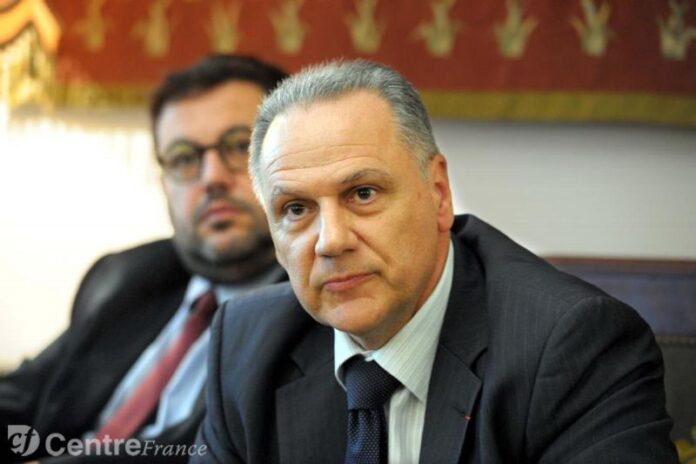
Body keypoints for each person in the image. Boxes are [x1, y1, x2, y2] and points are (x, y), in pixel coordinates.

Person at [194, 59, 678, 463]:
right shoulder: (247, 345)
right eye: (297, 209)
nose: (331, 242)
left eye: (363, 194)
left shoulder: (570, 346)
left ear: (439, 194)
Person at [0, 55, 288, 463]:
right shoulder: (128, 277)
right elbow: (22, 395)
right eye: (184, 157)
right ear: (164, 182)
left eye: (240, 146)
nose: (212, 178)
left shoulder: (311, 308)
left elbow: (196, 451)